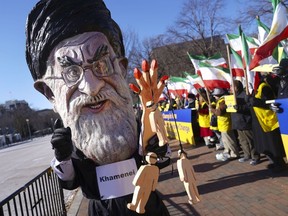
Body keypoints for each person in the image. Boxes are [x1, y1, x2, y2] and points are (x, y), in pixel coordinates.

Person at [25, 0, 170, 215]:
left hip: (148, 206)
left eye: (101, 65)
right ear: (50, 93)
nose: (92, 88)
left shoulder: (139, 128)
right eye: (71, 73)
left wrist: (158, 148)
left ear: (120, 69)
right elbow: (70, 181)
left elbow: (161, 159)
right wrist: (63, 157)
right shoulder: (72, 142)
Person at [245, 72, 287, 172]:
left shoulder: (264, 87)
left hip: (267, 122)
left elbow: (270, 102)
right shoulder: (254, 90)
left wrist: (254, 101)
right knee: (265, 146)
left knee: (272, 145)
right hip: (259, 122)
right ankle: (274, 162)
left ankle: (280, 164)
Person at [231, 80, 260, 165]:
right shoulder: (232, 97)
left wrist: (239, 108)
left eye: (232, 87)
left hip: (245, 121)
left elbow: (249, 107)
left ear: (236, 87)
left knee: (250, 140)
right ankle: (247, 155)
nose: (230, 89)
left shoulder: (245, 95)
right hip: (237, 122)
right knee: (242, 140)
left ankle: (255, 157)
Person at [209, 88, 239, 161]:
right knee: (226, 140)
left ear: (218, 95)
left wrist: (212, 110)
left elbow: (220, 112)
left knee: (229, 140)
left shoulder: (223, 100)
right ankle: (228, 152)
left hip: (226, 123)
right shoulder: (220, 101)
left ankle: (234, 154)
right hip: (223, 124)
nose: (214, 97)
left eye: (215, 95)